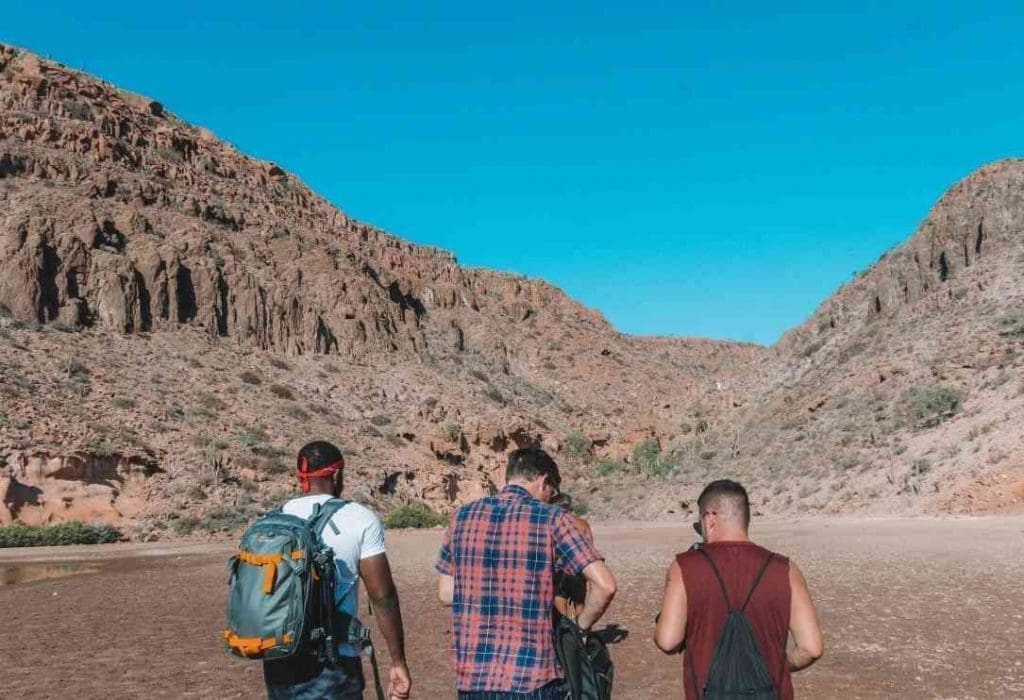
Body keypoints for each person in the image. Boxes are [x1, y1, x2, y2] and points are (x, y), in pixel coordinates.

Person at [437, 447, 618, 699]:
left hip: (473, 678)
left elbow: (446, 593)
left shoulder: (461, 517)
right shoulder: (553, 519)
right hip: (533, 678)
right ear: (544, 481)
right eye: (552, 491)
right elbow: (605, 585)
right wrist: (579, 628)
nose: (551, 498)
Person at [263, 441, 411, 700]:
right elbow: (383, 597)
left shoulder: (276, 518)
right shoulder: (359, 518)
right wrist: (398, 662)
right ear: (337, 474)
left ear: (300, 477)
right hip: (334, 660)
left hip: (280, 660)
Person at [654, 479, 823, 699]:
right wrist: (779, 668)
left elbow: (668, 641)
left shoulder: (684, 567)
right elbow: (811, 648)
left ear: (710, 519)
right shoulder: (786, 569)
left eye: (699, 525)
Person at [552, 493, 592, 620]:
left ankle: (564, 635)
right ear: (571, 507)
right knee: (580, 605)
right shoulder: (583, 524)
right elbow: (590, 549)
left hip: (560, 571)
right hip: (579, 570)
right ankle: (582, 635)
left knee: (561, 612)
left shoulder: (554, 524)